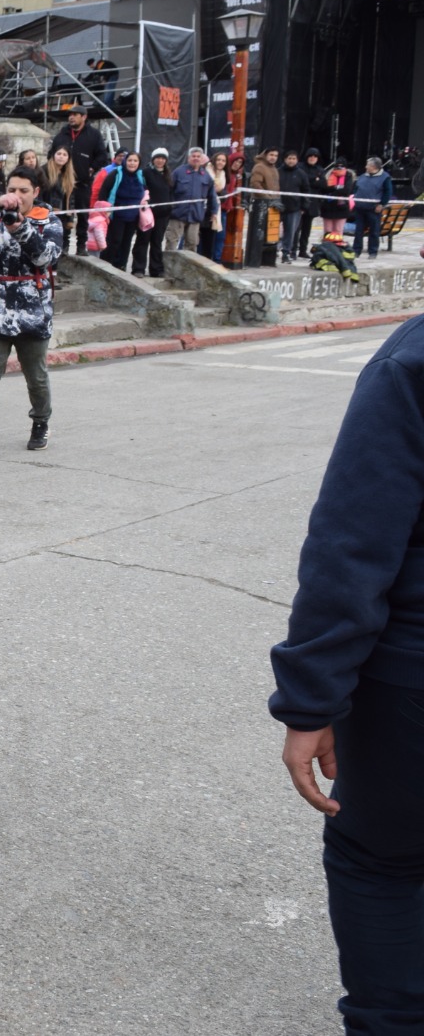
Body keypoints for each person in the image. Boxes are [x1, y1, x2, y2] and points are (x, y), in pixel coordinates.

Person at [270, 313, 424, 1036]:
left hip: (412, 685)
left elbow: (353, 540)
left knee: (379, 860)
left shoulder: (412, 359)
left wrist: (310, 701)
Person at [0, 164, 64, 458]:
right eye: (11, 190)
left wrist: (20, 228)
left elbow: (45, 258)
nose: (16, 196)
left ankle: (41, 423)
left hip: (32, 309)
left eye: (23, 191)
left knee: (36, 375)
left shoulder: (49, 221)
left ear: (36, 193)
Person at [48, 104, 110, 256]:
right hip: (63, 182)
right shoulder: (62, 135)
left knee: (83, 215)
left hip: (83, 182)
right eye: (70, 114)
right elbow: (51, 154)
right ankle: (63, 246)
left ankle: (81, 246)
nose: (71, 117)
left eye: (75, 114)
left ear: (84, 117)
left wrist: (91, 168)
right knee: (63, 215)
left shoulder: (93, 135)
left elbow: (102, 155)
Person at [99, 150, 147, 272]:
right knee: (114, 241)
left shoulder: (140, 176)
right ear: (125, 161)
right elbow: (104, 191)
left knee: (126, 243)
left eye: (135, 161)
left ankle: (121, 266)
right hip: (116, 215)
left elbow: (146, 192)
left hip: (133, 217)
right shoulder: (116, 174)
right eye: (130, 160)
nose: (132, 163)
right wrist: (104, 209)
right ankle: (106, 265)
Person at [167, 147, 217, 254]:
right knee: (172, 242)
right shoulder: (179, 172)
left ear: (201, 158)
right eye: (193, 156)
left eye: (198, 156)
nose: (196, 159)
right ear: (189, 158)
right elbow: (169, 190)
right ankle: (168, 268)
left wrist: (214, 211)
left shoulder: (206, 176)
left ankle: (187, 269)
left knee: (192, 243)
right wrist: (170, 207)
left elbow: (212, 195)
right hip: (178, 214)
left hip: (195, 215)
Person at [133, 146, 172, 278]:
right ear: (153, 159)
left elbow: (170, 192)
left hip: (163, 215)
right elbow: (142, 189)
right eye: (157, 158)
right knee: (142, 241)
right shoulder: (146, 173)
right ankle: (138, 268)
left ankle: (156, 269)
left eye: (162, 158)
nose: (160, 161)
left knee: (157, 242)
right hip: (147, 214)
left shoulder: (168, 175)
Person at [353, 157, 393, 261]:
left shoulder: (385, 178)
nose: (366, 167)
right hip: (360, 208)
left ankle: (373, 252)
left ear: (374, 167)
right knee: (358, 231)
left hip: (373, 209)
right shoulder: (362, 176)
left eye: (368, 165)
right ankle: (356, 251)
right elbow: (356, 188)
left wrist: (381, 204)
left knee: (374, 232)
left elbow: (387, 192)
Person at [249, 147, 283, 267]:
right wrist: (268, 197)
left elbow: (276, 187)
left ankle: (267, 260)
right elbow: (255, 184)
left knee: (271, 234)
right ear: (265, 155)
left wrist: (277, 199)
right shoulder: (259, 167)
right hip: (261, 204)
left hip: (273, 204)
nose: (273, 157)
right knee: (259, 234)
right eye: (271, 154)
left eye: (276, 155)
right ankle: (256, 261)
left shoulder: (274, 169)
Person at [278, 149, 310, 264]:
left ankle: (286, 253)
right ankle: (270, 251)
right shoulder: (278, 172)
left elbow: (306, 191)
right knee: (271, 231)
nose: (291, 161)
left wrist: (303, 207)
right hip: (277, 207)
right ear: (285, 159)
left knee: (290, 232)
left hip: (294, 208)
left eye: (294, 158)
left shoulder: (301, 174)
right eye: (289, 158)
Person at [296, 147, 325, 260]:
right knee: (296, 228)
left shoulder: (320, 169)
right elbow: (303, 182)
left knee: (306, 229)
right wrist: (314, 179)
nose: (313, 158)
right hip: (300, 202)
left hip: (312, 204)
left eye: (315, 156)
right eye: (311, 156)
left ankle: (302, 250)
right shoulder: (300, 167)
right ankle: (292, 249)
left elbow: (323, 184)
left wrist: (313, 180)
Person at [321, 156, 355, 238]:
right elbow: (324, 188)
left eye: (342, 166)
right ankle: (327, 248)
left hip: (342, 208)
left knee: (338, 231)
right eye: (337, 166)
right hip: (328, 207)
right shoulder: (328, 174)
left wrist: (333, 189)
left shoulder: (349, 175)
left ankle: (337, 248)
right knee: (327, 231)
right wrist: (337, 188)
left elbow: (346, 190)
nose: (339, 168)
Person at [41, 144, 76, 216]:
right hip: (47, 213)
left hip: (63, 215)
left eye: (64, 155)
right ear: (53, 155)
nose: (61, 157)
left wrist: (70, 219)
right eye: (59, 154)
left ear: (68, 158)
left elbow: (70, 198)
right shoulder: (44, 171)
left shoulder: (68, 174)